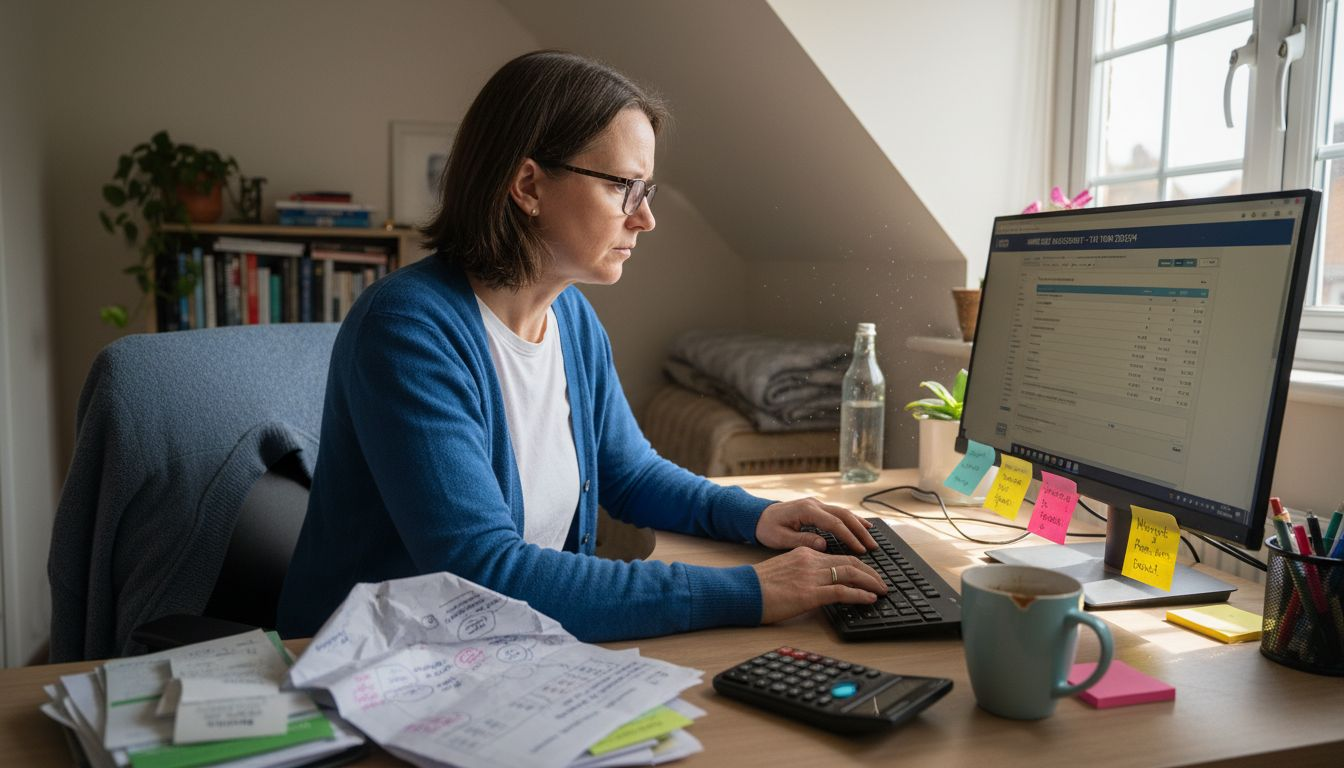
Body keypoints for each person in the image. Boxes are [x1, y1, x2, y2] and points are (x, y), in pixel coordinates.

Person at [277, 50, 886, 642]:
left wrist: (754, 515)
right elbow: (483, 571)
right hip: (371, 662)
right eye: (624, 186)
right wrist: (747, 591)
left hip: (494, 650)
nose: (644, 218)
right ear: (527, 185)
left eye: (646, 191)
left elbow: (628, 472)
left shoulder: (570, 314)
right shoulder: (408, 329)